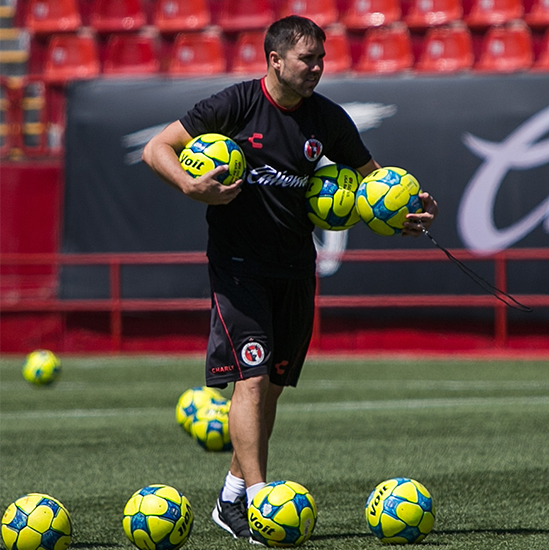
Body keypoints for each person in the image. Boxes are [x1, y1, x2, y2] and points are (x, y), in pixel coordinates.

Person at [141, 15, 438, 542]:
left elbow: (376, 184)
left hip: (297, 268)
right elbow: (156, 148)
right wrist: (192, 186)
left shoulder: (328, 120)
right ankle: (260, 501)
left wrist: (403, 213)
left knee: (273, 386)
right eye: (308, 59)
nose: (317, 68)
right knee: (251, 381)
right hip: (238, 268)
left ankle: (230, 497)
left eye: (321, 59)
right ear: (275, 60)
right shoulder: (233, 105)